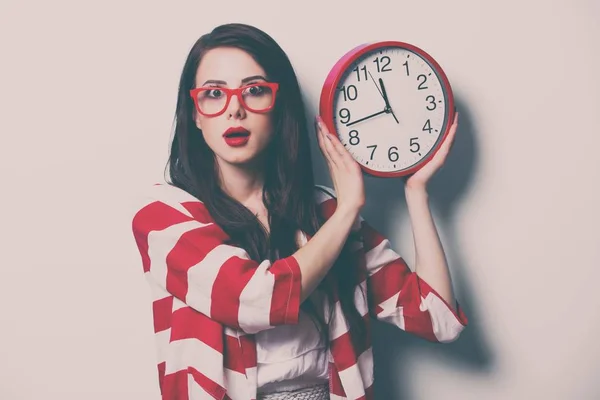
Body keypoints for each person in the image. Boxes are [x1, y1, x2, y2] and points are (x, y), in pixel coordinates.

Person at [131, 22, 468, 400]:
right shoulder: (165, 216)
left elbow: (438, 319)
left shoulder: (322, 213)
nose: (235, 110)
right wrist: (347, 211)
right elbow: (254, 301)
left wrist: (416, 192)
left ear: (279, 111)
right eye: (213, 94)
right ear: (194, 114)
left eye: (255, 90)